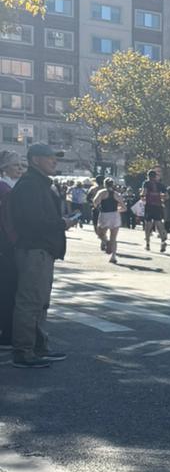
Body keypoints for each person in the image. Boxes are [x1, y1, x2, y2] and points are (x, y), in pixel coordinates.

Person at [6, 143, 68, 369]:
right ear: (35, 160)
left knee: (40, 302)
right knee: (30, 302)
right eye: (49, 157)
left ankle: (38, 347)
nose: (54, 160)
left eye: (55, 157)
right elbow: (33, 221)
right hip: (34, 249)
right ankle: (24, 352)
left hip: (41, 250)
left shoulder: (38, 184)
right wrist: (62, 223)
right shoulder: (30, 185)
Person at [0, 152, 24, 352]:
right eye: (15, 165)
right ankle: (7, 334)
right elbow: (9, 222)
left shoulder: (8, 187)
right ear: (4, 168)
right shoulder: (6, 189)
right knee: (9, 291)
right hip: (7, 246)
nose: (20, 168)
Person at [92, 178, 124, 263]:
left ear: (104, 184)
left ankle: (106, 242)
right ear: (112, 185)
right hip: (115, 215)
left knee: (100, 233)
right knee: (113, 237)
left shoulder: (102, 192)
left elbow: (95, 202)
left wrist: (97, 206)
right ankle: (113, 256)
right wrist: (118, 210)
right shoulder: (117, 194)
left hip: (104, 214)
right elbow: (124, 207)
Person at [141, 169, 168, 252]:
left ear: (148, 176)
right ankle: (163, 241)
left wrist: (142, 196)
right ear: (155, 176)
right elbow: (167, 196)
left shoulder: (146, 183)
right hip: (158, 206)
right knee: (159, 223)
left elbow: (144, 193)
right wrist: (161, 199)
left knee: (148, 225)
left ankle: (147, 244)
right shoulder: (160, 184)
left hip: (149, 206)